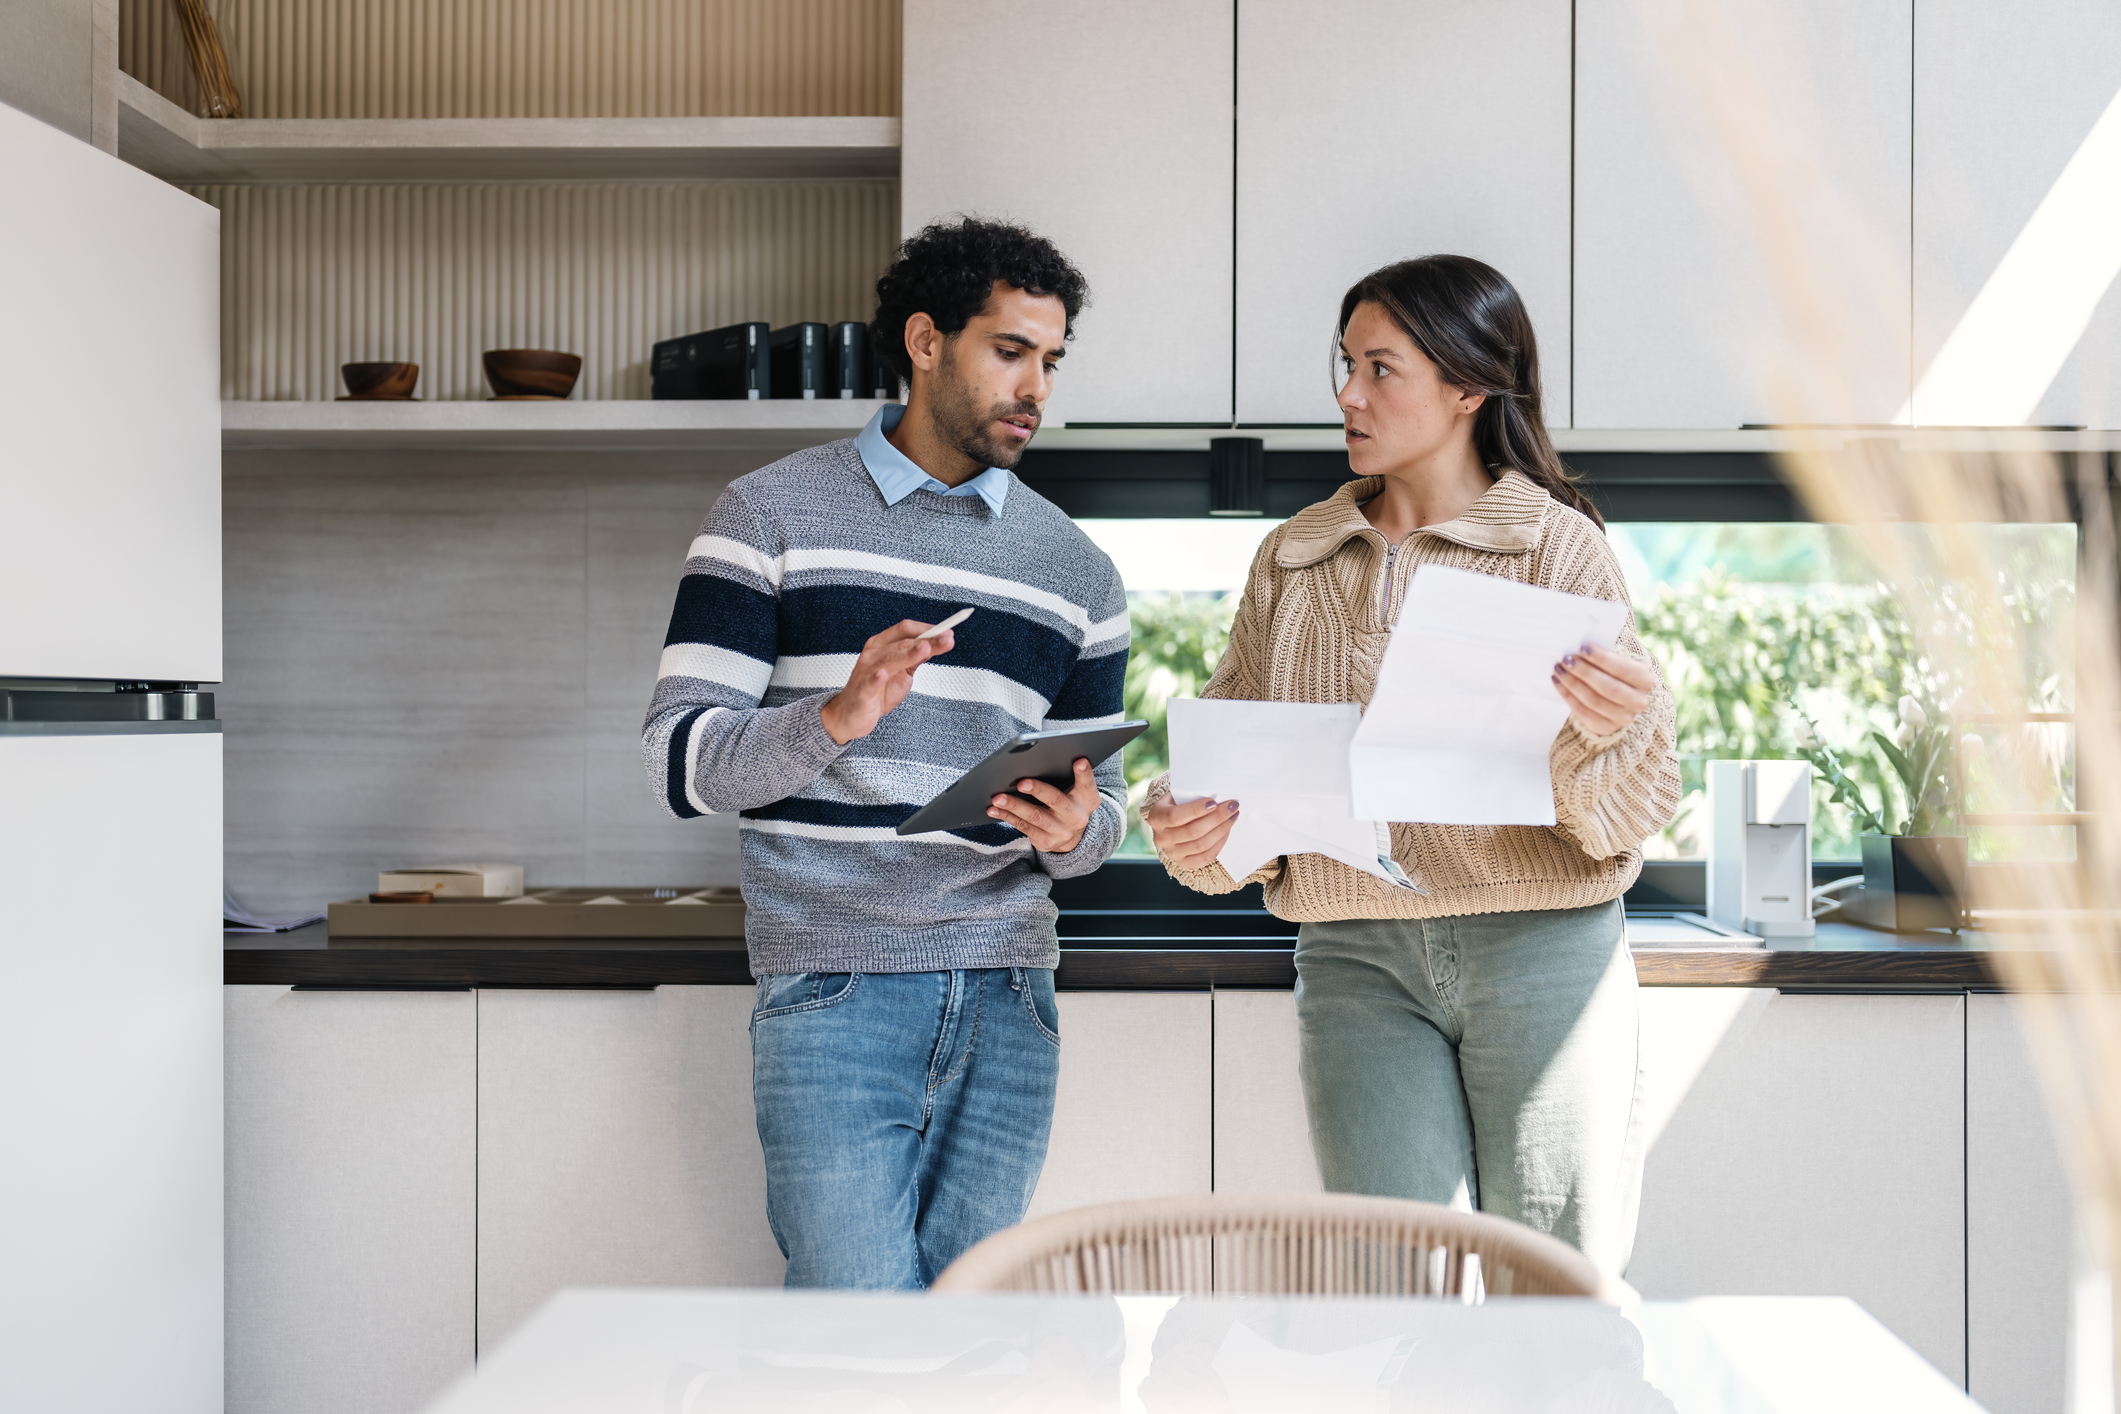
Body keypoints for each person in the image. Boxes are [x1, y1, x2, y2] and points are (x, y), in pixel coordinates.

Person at [1142, 255, 1679, 1274]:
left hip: (1542, 951)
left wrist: (1611, 731)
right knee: (1393, 1290)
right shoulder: (1293, 557)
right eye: (1345, 364)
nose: (1348, 393)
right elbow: (1230, 752)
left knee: (1557, 1284)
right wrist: (1189, 818)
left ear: (1468, 386)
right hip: (1356, 962)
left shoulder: (1557, 550)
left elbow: (1631, 804)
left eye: (1380, 368)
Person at [641, 217, 1129, 1289]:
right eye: (1010, 351)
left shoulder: (1076, 570)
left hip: (1011, 992)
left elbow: (1106, 811)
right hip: (835, 985)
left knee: (971, 1336)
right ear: (924, 341)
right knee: (854, 1340)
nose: (1035, 386)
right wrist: (835, 717)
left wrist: (1075, 829)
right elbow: (680, 762)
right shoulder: (766, 515)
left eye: (1051, 360)